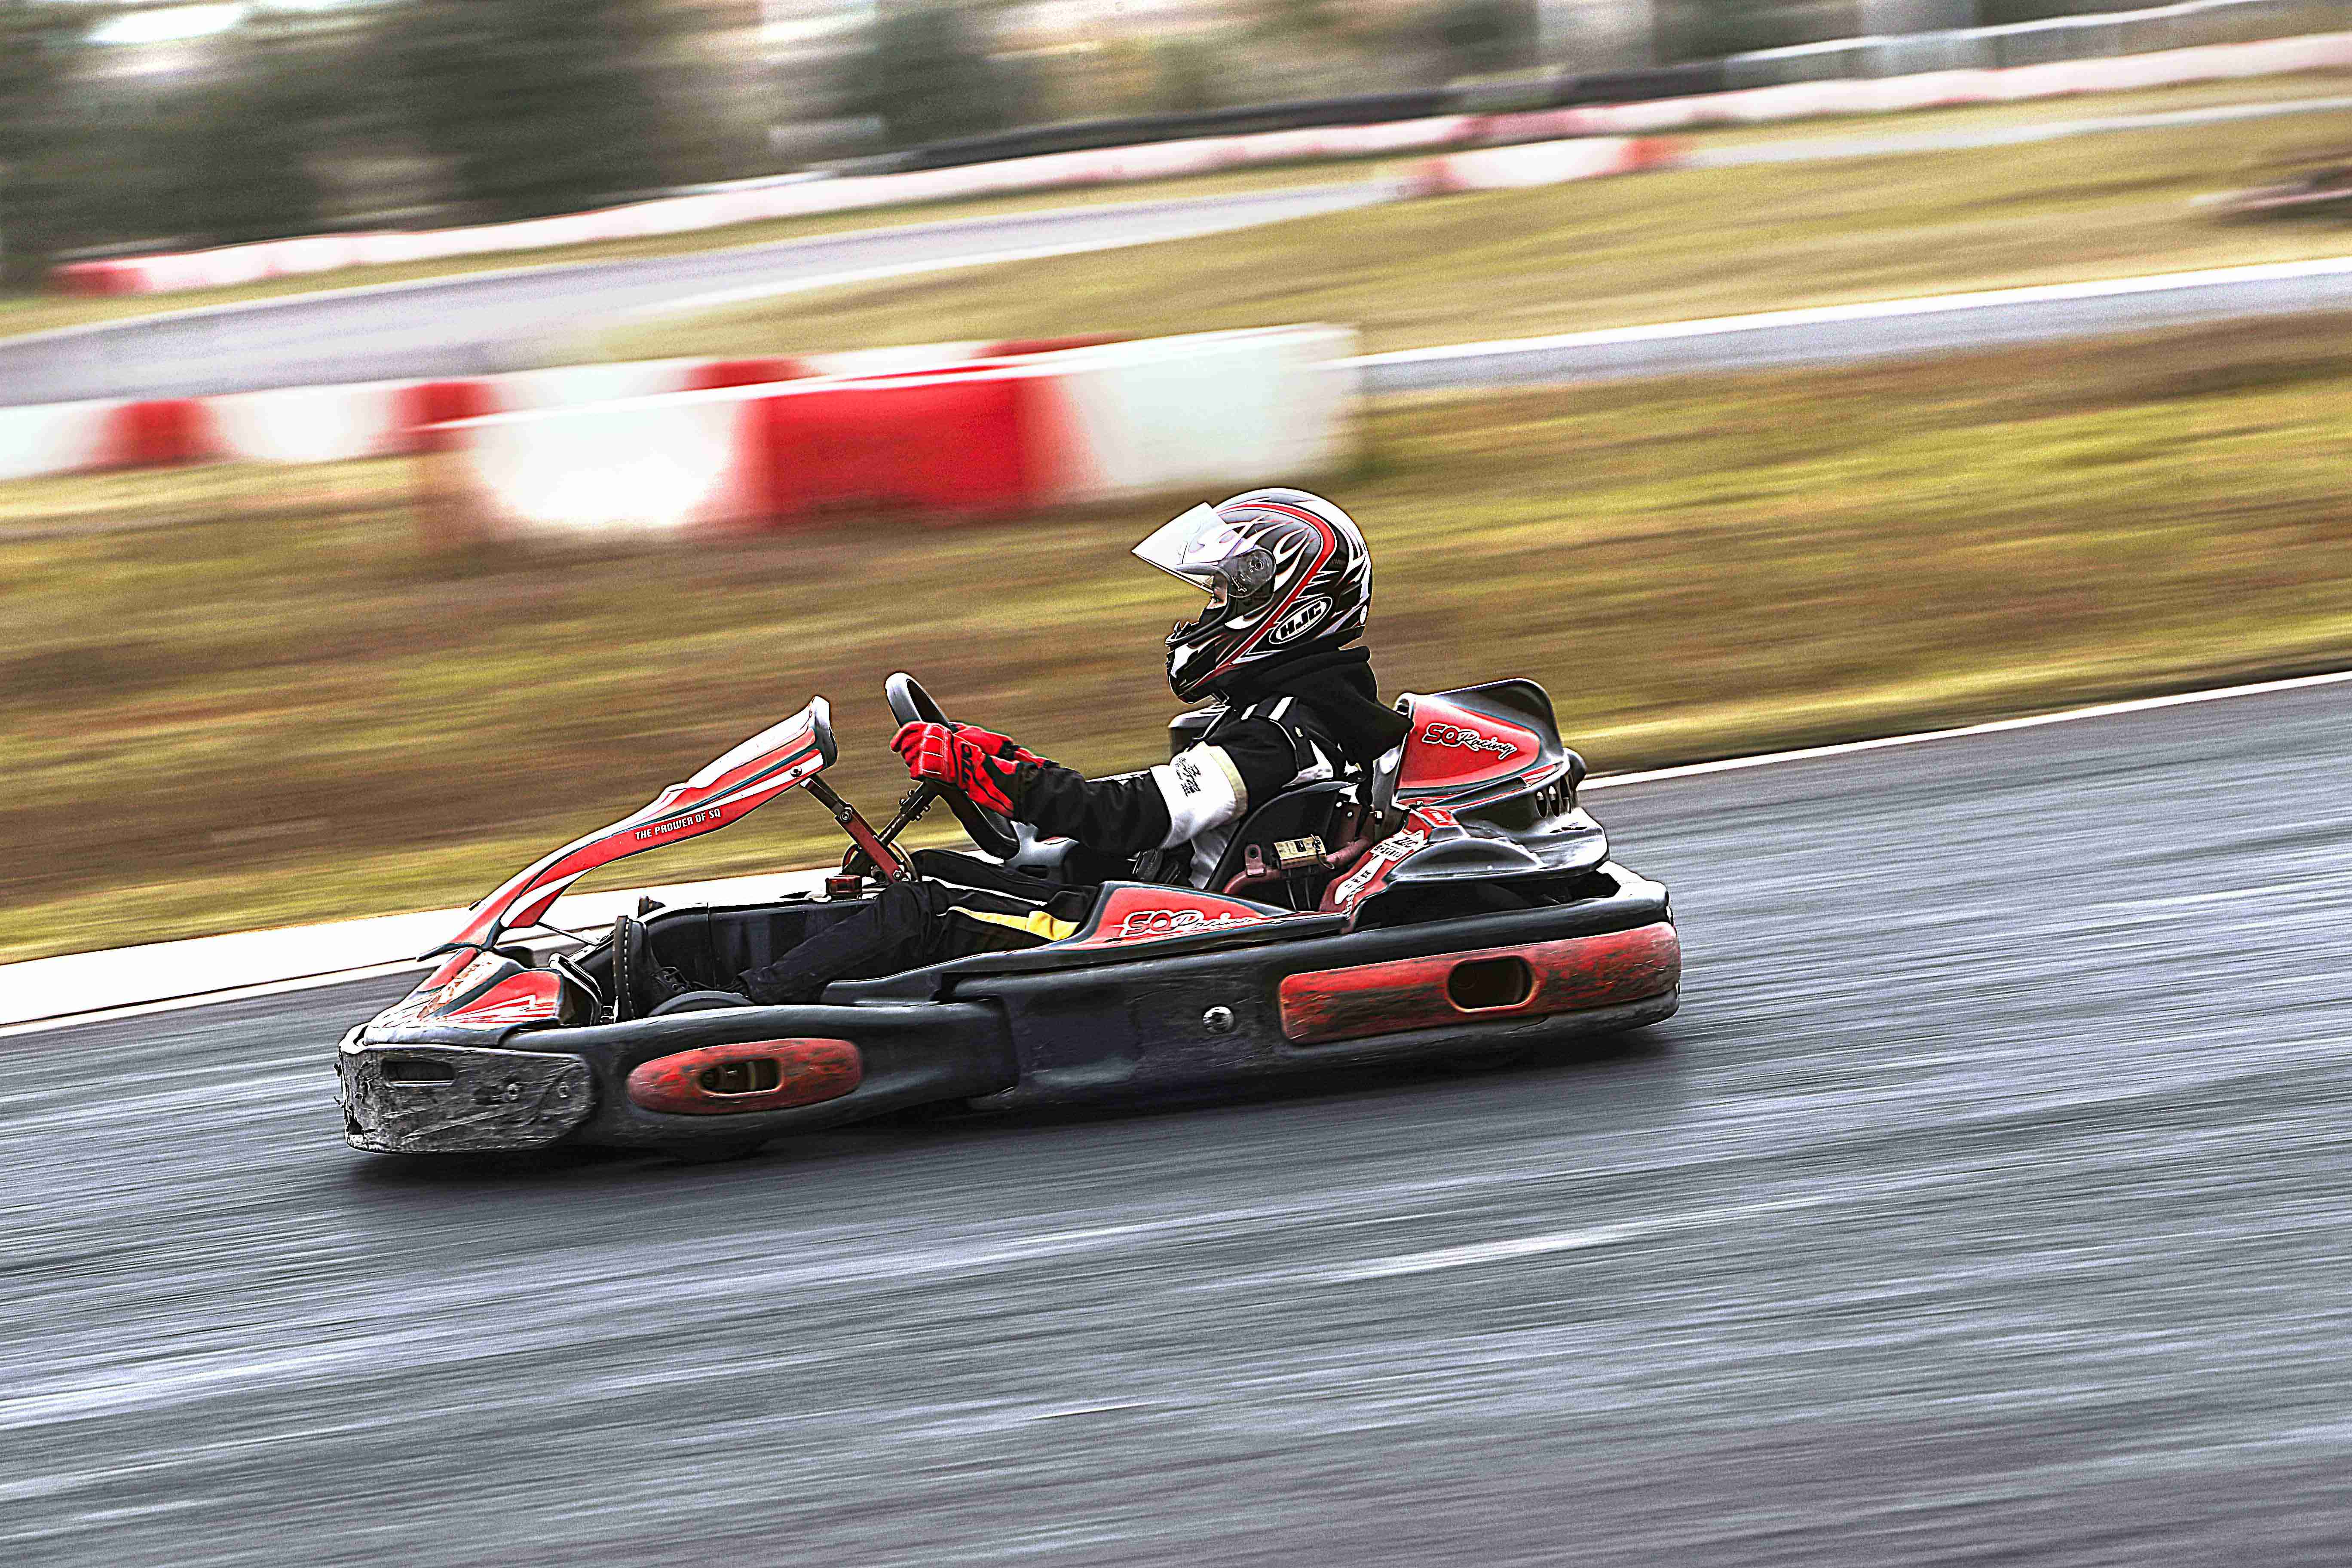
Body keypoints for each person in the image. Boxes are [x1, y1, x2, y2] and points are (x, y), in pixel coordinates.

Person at [623, 487, 1410, 1015]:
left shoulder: (1279, 730)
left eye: (1226, 597)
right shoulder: (1285, 710)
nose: (1208, 614)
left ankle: (725, 1017)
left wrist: (1002, 771)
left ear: (1290, 607)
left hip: (1180, 939)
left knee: (929, 907)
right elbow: (1128, 828)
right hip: (1152, 901)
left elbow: (1139, 815)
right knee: (928, 871)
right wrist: (1003, 781)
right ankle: (704, 963)